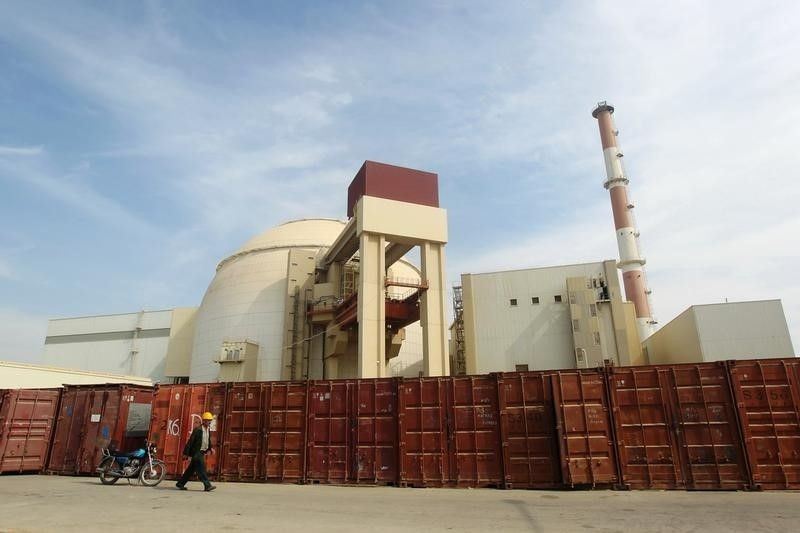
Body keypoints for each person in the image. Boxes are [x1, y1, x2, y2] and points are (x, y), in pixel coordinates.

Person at [176, 411, 217, 492]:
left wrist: (210, 448)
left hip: (202, 452)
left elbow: (207, 440)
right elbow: (190, 442)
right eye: (208, 420)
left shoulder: (208, 430)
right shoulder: (197, 430)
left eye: (210, 420)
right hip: (196, 452)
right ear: (204, 421)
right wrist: (185, 453)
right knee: (202, 468)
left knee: (190, 470)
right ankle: (207, 485)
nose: (209, 422)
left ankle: (180, 484)